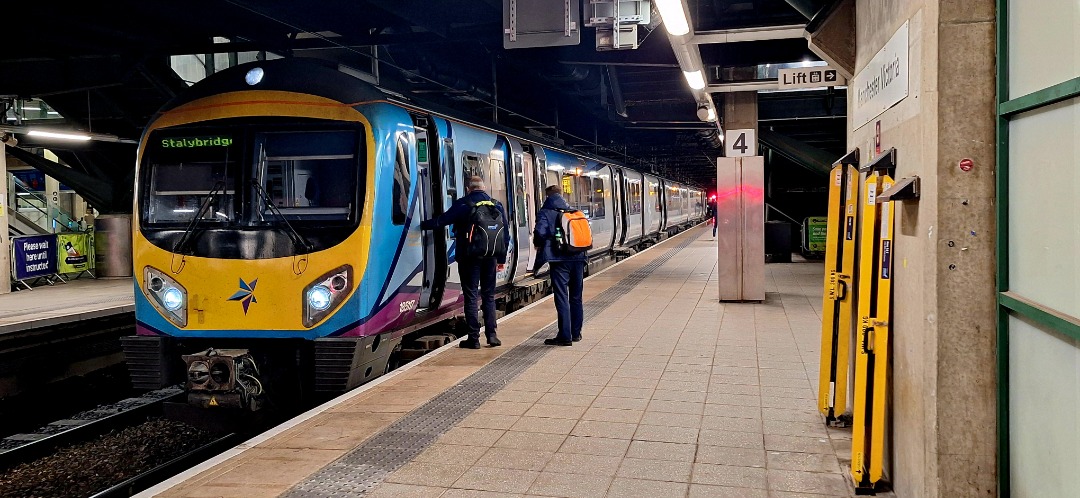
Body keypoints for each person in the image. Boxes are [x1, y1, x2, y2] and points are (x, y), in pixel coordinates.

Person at [420, 176, 509, 349]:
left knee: (471, 297)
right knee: (489, 296)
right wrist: (501, 260)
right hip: (490, 258)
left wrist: (420, 225)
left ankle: (474, 339)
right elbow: (504, 234)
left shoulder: (463, 204)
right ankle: (492, 335)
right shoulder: (496, 205)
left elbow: (441, 222)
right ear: (483, 188)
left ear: (468, 188)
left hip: (469, 258)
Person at [533, 184, 586, 346]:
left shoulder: (546, 212)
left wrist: (538, 243)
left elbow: (540, 234)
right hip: (578, 257)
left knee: (562, 296)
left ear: (547, 196)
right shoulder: (574, 211)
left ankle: (565, 336)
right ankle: (576, 333)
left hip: (559, 259)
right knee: (576, 297)